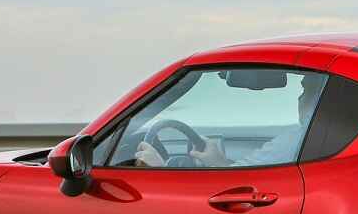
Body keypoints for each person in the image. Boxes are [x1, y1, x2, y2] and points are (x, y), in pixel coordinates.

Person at [135, 72, 326, 168]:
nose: (300, 98)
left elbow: (238, 189)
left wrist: (159, 168)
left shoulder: (297, 140)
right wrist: (218, 162)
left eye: (306, 89)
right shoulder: (315, 139)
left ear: (321, 98)